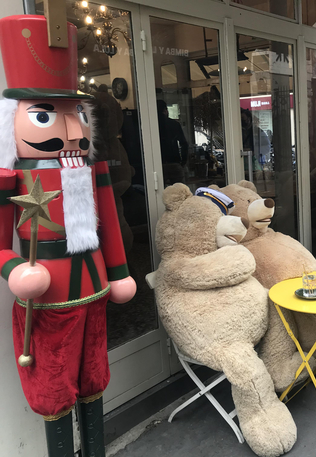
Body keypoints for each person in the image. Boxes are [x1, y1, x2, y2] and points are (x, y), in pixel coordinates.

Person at [0, 15, 136, 457]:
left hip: (93, 291)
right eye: (45, 114)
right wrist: (15, 269)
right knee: (53, 389)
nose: (71, 129)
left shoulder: (91, 169)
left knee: (94, 378)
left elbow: (110, 225)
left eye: (75, 113)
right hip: (46, 300)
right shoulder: (10, 177)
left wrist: (119, 273)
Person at [157, 99, 189, 185]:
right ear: (165, 110)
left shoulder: (153, 125)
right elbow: (184, 144)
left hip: (159, 164)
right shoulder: (174, 124)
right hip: (174, 163)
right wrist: (183, 161)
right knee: (180, 191)